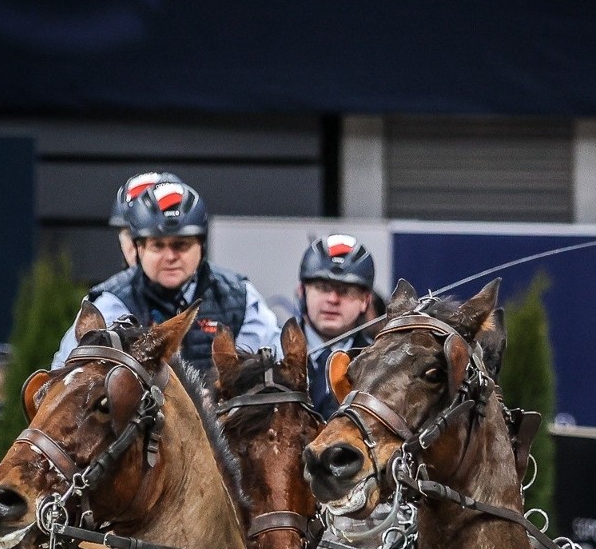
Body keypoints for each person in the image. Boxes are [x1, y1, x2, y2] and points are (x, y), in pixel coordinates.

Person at [53, 178, 281, 373]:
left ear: (201, 246)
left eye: (181, 245)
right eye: (157, 246)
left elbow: (274, 371)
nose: (170, 256)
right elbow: (67, 382)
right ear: (139, 249)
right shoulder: (110, 303)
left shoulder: (240, 297)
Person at [297, 233, 376, 418]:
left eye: (345, 291)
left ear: (365, 300)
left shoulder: (378, 366)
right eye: (323, 288)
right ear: (302, 292)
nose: (333, 299)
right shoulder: (274, 354)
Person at [108, 169, 182, 267]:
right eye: (132, 235)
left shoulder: (208, 281)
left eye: (156, 236)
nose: (141, 249)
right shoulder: (114, 283)